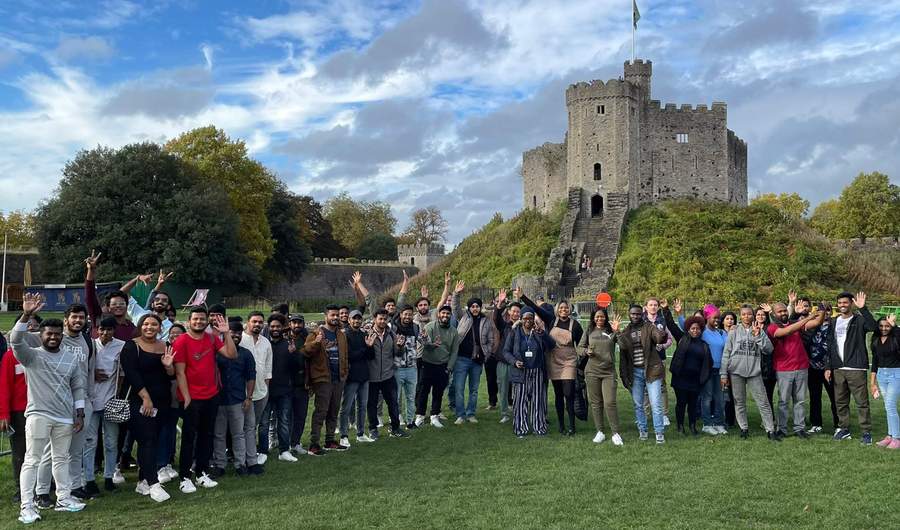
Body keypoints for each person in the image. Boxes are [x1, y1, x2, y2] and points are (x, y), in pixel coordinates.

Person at [11, 293, 87, 524]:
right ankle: (27, 506)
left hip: (65, 418)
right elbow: (15, 340)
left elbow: (77, 387)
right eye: (49, 334)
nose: (53, 337)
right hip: (38, 415)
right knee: (32, 460)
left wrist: (80, 413)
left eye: (56, 334)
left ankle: (63, 498)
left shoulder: (70, 359)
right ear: (41, 335)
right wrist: (26, 314)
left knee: (61, 459)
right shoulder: (31, 356)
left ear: (61, 335)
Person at [171, 305, 237, 493]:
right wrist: (187, 398)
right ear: (189, 321)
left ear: (207, 320)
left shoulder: (212, 338)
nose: (198, 322)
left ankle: (201, 473)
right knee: (189, 438)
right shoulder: (182, 341)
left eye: (202, 319)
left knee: (206, 437)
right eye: (195, 319)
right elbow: (180, 373)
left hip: (211, 396)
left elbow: (232, 355)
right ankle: (185, 477)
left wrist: (227, 334)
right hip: (191, 398)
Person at [121, 314, 174, 502]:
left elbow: (171, 375)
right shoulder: (131, 346)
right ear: (140, 326)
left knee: (154, 439)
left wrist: (168, 367)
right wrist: (146, 398)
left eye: (154, 324)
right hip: (141, 401)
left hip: (163, 401)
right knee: (147, 439)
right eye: (146, 324)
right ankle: (153, 483)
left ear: (160, 327)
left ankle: (143, 481)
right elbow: (132, 374)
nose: (149, 327)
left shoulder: (166, 345)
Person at [519, 292, 582, 435]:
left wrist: (582, 361)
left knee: (568, 393)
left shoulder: (576, 325)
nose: (563, 311)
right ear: (557, 310)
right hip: (553, 360)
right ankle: (561, 425)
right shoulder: (551, 320)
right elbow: (536, 308)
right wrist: (523, 297)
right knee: (558, 394)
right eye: (561, 308)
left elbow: (582, 343)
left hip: (569, 361)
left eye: (566, 308)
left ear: (570, 309)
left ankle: (572, 425)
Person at [719, 305, 779, 440]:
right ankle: (743, 428)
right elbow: (726, 353)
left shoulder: (759, 330)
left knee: (763, 401)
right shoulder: (734, 331)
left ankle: (770, 429)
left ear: (753, 315)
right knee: (739, 401)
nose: (747, 316)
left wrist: (758, 336)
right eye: (744, 314)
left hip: (754, 372)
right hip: (736, 371)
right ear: (740, 316)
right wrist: (723, 374)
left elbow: (769, 349)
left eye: (749, 314)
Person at [825, 291, 876, 444]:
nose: (842, 305)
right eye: (840, 303)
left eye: (845, 302)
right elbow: (830, 345)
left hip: (855, 367)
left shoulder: (859, 320)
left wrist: (864, 308)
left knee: (861, 402)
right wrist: (828, 366)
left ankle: (866, 432)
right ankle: (844, 429)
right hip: (838, 368)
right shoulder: (834, 321)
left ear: (851, 304)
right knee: (840, 401)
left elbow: (873, 326)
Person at [766, 301, 824, 438]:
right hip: (783, 369)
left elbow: (816, 323)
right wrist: (808, 318)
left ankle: (800, 428)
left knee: (800, 400)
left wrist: (821, 311)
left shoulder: (794, 323)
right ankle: (782, 429)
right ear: (773, 314)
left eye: (784, 310)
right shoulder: (772, 328)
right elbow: (787, 331)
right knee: (784, 401)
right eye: (779, 311)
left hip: (802, 367)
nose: (783, 313)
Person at [82, 316, 125, 494]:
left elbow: (121, 373)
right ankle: (89, 479)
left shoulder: (121, 346)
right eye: (101, 329)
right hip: (90, 401)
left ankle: (109, 477)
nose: (105, 333)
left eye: (109, 330)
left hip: (110, 401)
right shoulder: (90, 345)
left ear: (114, 330)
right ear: (96, 329)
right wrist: (92, 376)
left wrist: (117, 395)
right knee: (90, 442)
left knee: (110, 442)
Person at [212, 321, 260, 477]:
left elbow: (251, 377)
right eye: (232, 332)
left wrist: (249, 397)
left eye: (239, 333)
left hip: (237, 400)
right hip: (218, 400)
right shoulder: (216, 353)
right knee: (218, 434)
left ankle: (241, 464)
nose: (236, 336)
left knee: (238, 433)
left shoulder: (245, 354)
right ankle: (220, 465)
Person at [618, 304, 668, 443]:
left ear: (643, 314)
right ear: (629, 314)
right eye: (633, 314)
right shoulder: (626, 331)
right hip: (635, 372)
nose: (635, 316)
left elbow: (659, 338)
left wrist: (661, 332)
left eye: (638, 314)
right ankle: (643, 431)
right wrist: (617, 332)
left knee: (656, 403)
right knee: (638, 404)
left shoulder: (649, 327)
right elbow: (622, 347)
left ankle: (659, 433)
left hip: (652, 370)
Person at [303, 305, 349, 454]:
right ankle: (314, 444)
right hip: (323, 379)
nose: (335, 318)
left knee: (334, 410)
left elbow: (345, 355)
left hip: (338, 378)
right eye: (332, 315)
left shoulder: (341, 335)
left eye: (337, 315)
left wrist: (344, 373)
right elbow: (305, 352)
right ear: (326, 316)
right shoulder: (316, 333)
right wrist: (316, 342)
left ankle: (330, 440)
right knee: (321, 411)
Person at [451, 281, 497, 424]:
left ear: (480, 307)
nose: (475, 308)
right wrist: (456, 293)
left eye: (477, 306)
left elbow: (490, 339)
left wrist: (486, 354)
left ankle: (471, 413)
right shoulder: (463, 317)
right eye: (472, 306)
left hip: (477, 360)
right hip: (461, 359)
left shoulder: (486, 320)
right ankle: (460, 414)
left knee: (474, 389)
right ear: (469, 308)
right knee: (459, 388)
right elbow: (455, 307)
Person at [662, 304, 711, 436]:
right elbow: (671, 325)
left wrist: (703, 378)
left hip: (695, 380)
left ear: (701, 330)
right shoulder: (682, 338)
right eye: (692, 328)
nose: (695, 330)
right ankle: (680, 426)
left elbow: (708, 363)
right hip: (681, 379)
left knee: (693, 405)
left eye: (698, 328)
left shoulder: (704, 345)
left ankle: (692, 426)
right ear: (688, 329)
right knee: (681, 403)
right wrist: (666, 309)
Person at [503, 308, 553, 437]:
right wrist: (514, 361)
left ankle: (539, 428)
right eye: (525, 318)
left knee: (538, 402)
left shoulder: (538, 332)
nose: (527, 321)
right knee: (520, 402)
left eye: (530, 318)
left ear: (533, 319)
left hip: (537, 371)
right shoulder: (514, 332)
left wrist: (542, 333)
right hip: (521, 372)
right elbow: (506, 351)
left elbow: (552, 345)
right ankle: (521, 428)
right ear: (521, 319)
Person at [577, 308, 623, 446]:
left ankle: (616, 433)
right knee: (596, 403)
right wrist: (586, 351)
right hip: (592, 372)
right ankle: (600, 432)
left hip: (608, 372)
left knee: (610, 402)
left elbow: (624, 345)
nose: (599, 319)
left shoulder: (610, 331)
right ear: (593, 318)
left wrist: (617, 331)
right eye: (597, 317)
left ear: (606, 318)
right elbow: (579, 348)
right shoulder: (589, 331)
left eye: (602, 317)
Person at [258, 314, 299, 462]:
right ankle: (262, 451)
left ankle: (284, 451)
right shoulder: (263, 344)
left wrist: (294, 354)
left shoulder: (288, 345)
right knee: (263, 423)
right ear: (268, 327)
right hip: (265, 390)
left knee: (284, 421)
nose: (275, 329)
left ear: (283, 328)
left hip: (284, 390)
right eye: (273, 326)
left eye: (278, 326)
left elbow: (297, 368)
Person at [365, 309, 408, 439]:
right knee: (372, 405)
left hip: (388, 376)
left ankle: (395, 428)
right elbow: (364, 355)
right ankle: (373, 429)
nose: (383, 321)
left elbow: (398, 353)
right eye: (380, 318)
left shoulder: (391, 334)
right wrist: (368, 346)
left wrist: (400, 346)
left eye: (385, 319)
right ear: (374, 319)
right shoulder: (367, 333)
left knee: (393, 403)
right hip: (372, 377)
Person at [416, 305, 461, 428]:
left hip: (443, 366)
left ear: (450, 315)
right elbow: (423, 342)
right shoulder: (430, 326)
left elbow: (454, 351)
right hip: (427, 363)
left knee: (438, 392)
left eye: (447, 313)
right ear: (438, 314)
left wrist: (449, 367)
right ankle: (420, 415)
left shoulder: (453, 331)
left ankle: (434, 416)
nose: (445, 315)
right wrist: (432, 344)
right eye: (443, 313)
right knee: (423, 391)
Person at [239, 312, 272, 463]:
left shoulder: (266, 342)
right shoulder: (240, 340)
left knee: (253, 425)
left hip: (261, 391)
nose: (257, 324)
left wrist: (266, 389)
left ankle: (249, 453)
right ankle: (247, 457)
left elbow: (268, 368)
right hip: (243, 393)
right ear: (248, 322)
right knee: (247, 426)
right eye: (254, 321)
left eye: (260, 322)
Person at [0, 326, 28, 502]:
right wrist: (4, 414)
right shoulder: (10, 357)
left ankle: (45, 486)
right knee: (20, 452)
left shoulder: (39, 354)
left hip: (40, 409)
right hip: (18, 412)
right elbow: (4, 387)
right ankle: (21, 489)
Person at [155, 323, 185, 484]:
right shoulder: (165, 349)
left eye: (178, 334)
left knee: (171, 430)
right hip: (167, 396)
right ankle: (160, 464)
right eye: (172, 334)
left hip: (183, 395)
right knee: (164, 429)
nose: (174, 337)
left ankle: (167, 462)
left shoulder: (187, 349)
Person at [83, 250, 136, 341]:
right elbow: (90, 296)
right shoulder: (99, 319)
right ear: (108, 307)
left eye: (121, 303)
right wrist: (91, 270)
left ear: (127, 306)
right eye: (114, 304)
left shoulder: (132, 328)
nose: (118, 306)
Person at [339, 310, 374, 444]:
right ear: (349, 320)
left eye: (359, 319)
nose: (357, 321)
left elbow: (371, 357)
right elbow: (350, 356)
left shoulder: (364, 334)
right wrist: (365, 350)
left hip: (364, 376)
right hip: (351, 377)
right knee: (346, 407)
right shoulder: (345, 335)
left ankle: (360, 433)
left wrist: (369, 348)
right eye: (354, 319)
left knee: (362, 406)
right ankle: (343, 436)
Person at [806, 303, 839, 435]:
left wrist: (830, 365)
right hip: (813, 366)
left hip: (829, 367)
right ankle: (816, 424)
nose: (825, 313)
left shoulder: (835, 325)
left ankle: (838, 424)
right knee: (814, 397)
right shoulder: (811, 326)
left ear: (831, 312)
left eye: (827, 310)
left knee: (835, 397)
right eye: (821, 311)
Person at [491, 288, 520, 424]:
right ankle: (505, 414)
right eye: (513, 311)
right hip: (503, 362)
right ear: (509, 313)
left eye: (518, 311)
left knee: (519, 389)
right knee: (503, 389)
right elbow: (496, 319)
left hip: (518, 363)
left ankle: (519, 411)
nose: (515, 313)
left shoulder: (523, 327)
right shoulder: (505, 326)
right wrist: (500, 304)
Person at [870, 315, 900, 448]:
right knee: (887, 407)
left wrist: (895, 325)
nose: (884, 328)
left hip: (896, 374)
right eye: (881, 326)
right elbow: (875, 362)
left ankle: (897, 439)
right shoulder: (876, 339)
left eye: (887, 326)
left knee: (890, 406)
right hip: (882, 375)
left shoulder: (895, 338)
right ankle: (890, 436)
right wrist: (872, 383)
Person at [120, 269, 176, 340]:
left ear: (168, 307)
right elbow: (121, 293)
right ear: (152, 305)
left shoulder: (169, 327)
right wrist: (138, 278)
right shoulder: (140, 314)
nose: (160, 302)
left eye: (164, 300)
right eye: (157, 299)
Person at [642, 298, 673, 427]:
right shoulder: (642, 321)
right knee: (645, 386)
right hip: (645, 359)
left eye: (655, 305)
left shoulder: (662, 321)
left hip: (660, 358)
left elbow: (670, 339)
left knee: (662, 386)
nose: (653, 307)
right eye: (651, 305)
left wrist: (664, 346)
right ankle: (645, 413)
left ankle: (664, 414)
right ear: (646, 307)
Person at [698, 304, 728, 435]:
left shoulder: (721, 332)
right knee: (707, 397)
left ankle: (719, 423)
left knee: (720, 398)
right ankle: (707, 424)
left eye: (719, 318)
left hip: (720, 370)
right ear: (707, 317)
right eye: (714, 318)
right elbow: (684, 326)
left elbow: (728, 346)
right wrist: (679, 313)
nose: (717, 320)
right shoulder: (702, 332)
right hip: (707, 370)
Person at [393, 305, 420, 428]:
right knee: (396, 397)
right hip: (397, 368)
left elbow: (423, 341)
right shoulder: (393, 328)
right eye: (405, 314)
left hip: (412, 368)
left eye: (410, 314)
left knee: (411, 397)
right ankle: (396, 420)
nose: (407, 317)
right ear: (400, 315)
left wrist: (426, 338)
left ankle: (410, 421)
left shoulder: (415, 327)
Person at [287, 314, 310, 455]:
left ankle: (296, 442)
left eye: (299, 323)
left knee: (301, 415)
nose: (297, 325)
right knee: (286, 416)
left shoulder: (307, 338)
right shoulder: (284, 338)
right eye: (294, 323)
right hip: (287, 384)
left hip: (303, 383)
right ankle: (286, 443)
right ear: (290, 324)